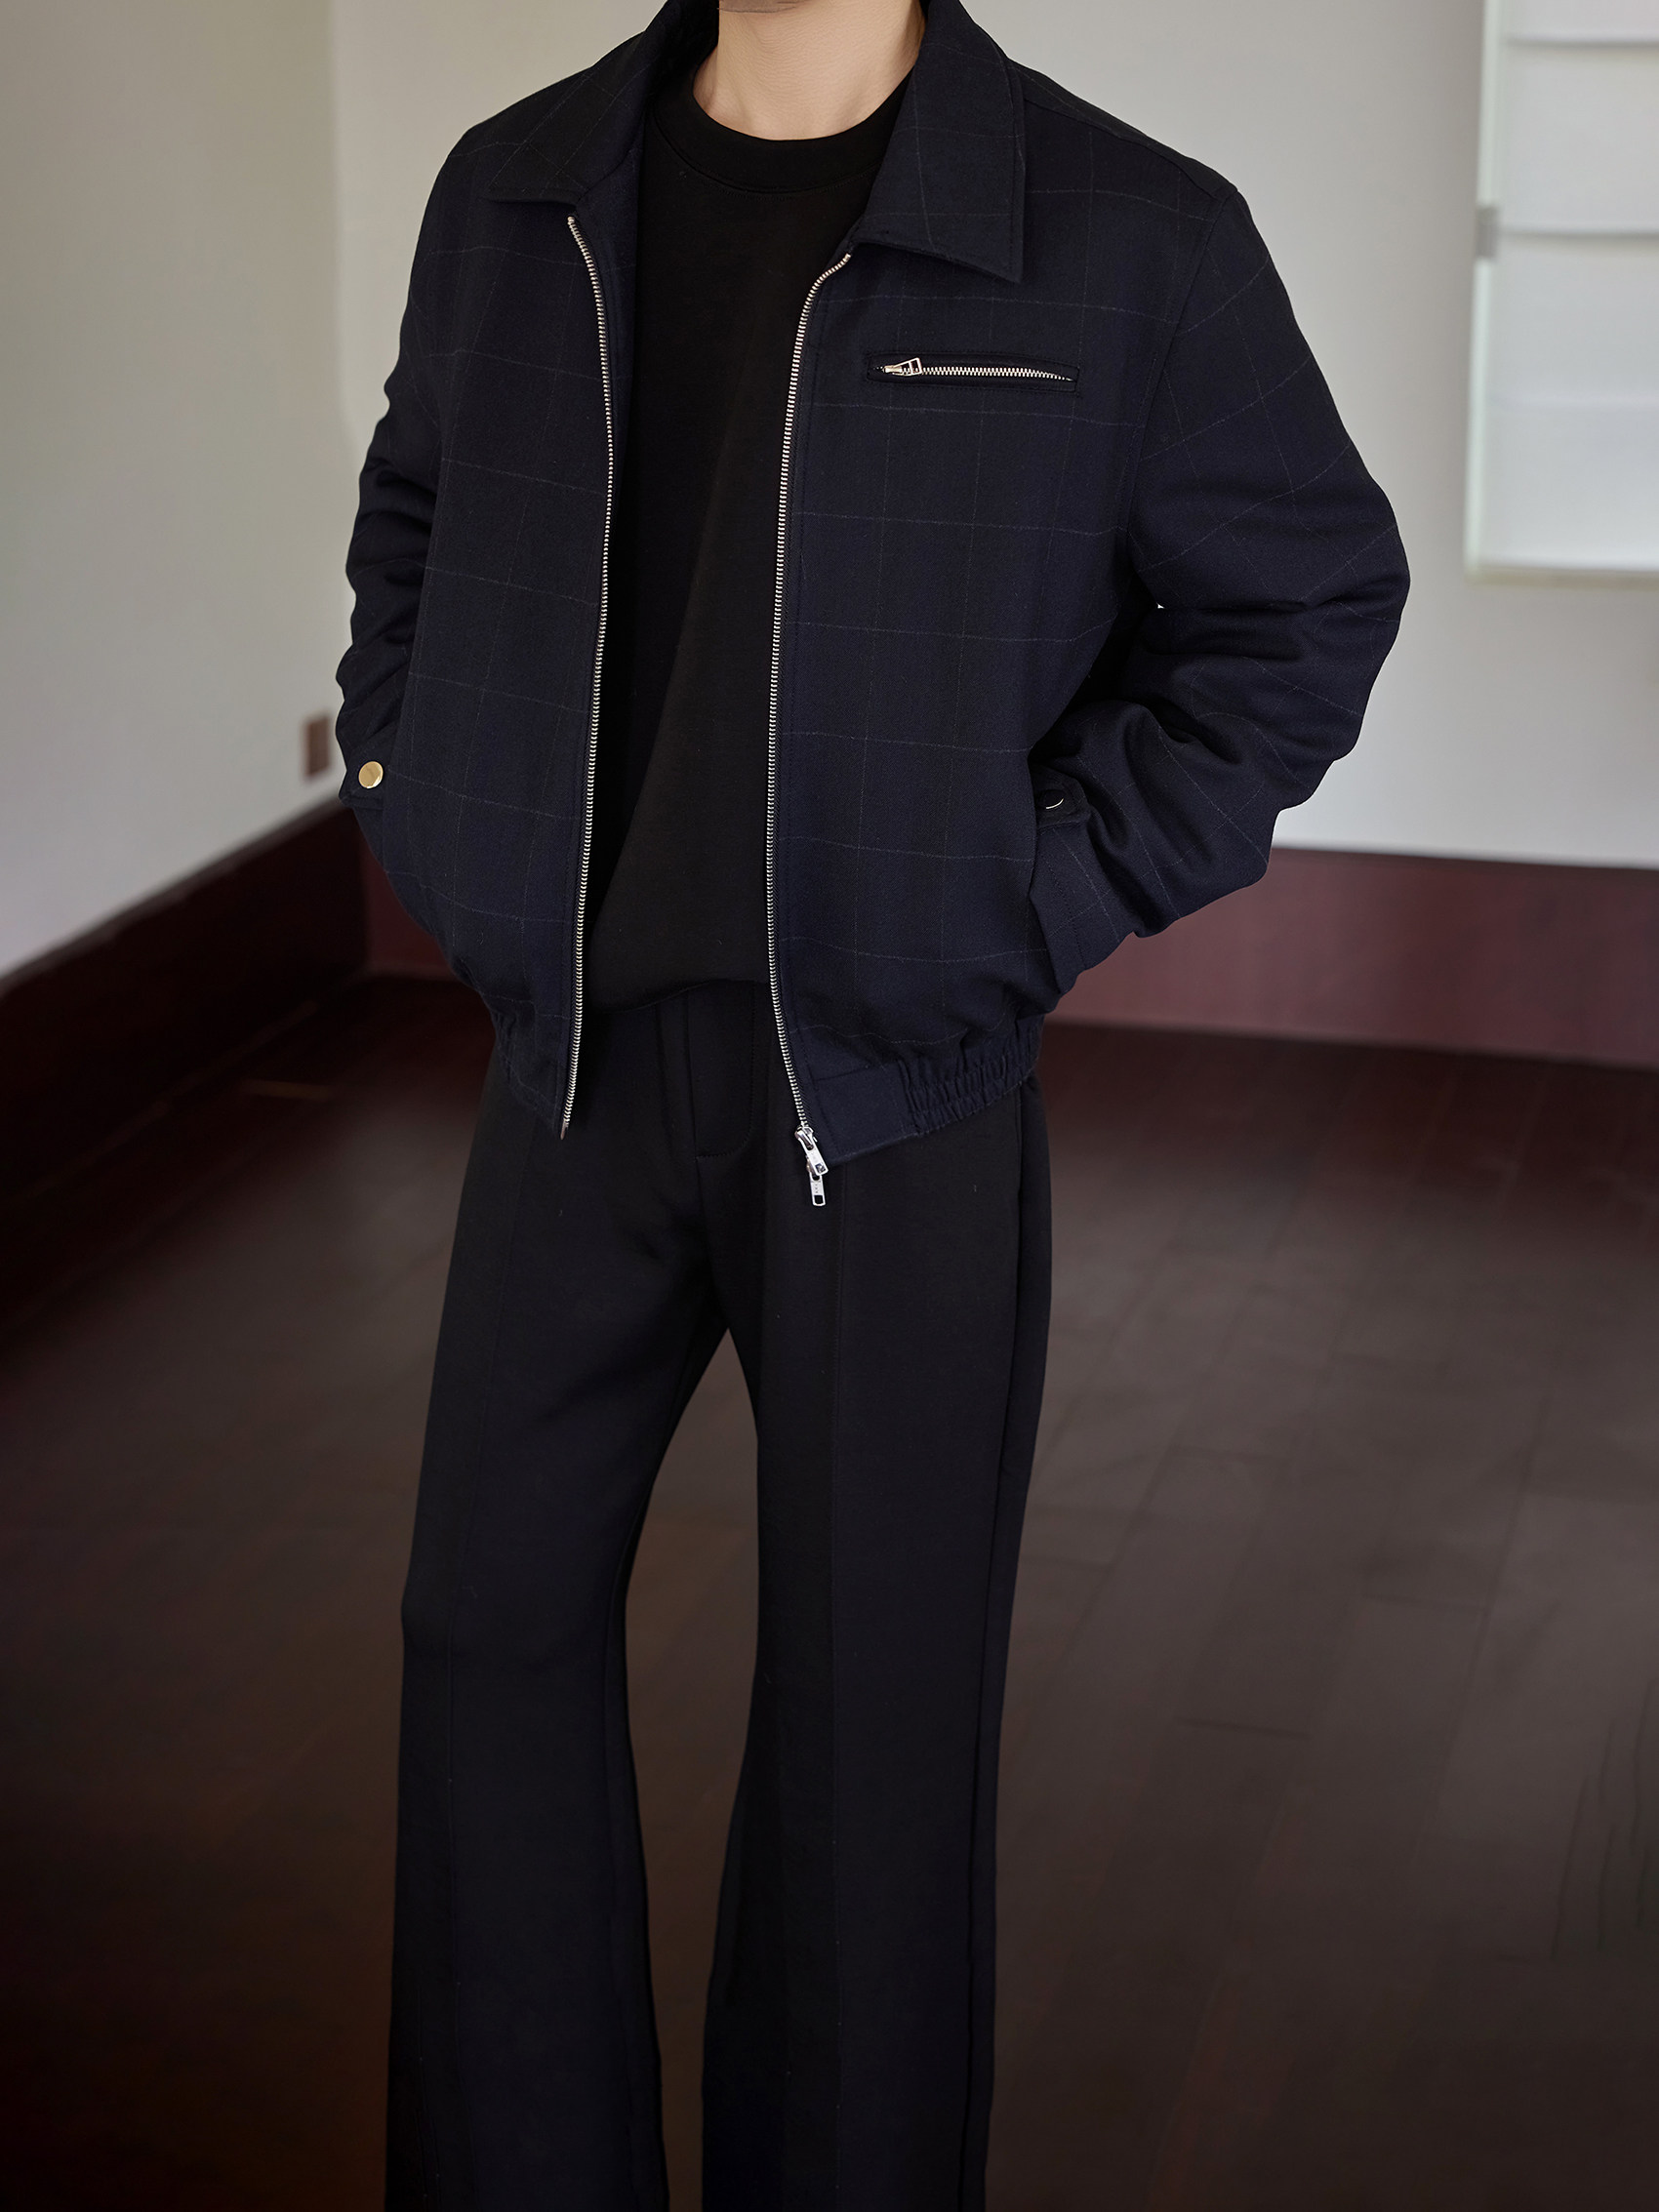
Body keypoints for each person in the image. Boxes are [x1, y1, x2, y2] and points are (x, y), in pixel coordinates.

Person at [336, 0, 1409, 2201]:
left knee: (868, 1731)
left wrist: (1027, 897)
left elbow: (1303, 606)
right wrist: (419, 792)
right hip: (573, 1057)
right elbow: (414, 519)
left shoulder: (1126, 231)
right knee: (481, 1627)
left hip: (894, 1090)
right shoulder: (516, 186)